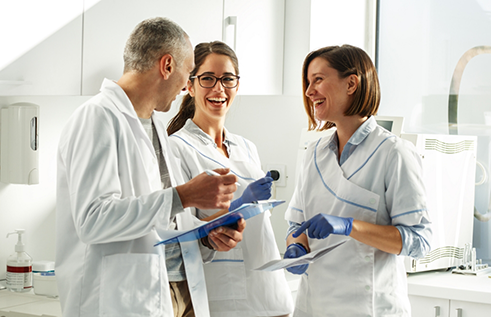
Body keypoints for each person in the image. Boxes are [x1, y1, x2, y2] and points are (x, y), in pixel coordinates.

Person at [56, 18, 246, 317]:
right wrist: (184, 196)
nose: (187, 86)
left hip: (174, 290)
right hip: (118, 300)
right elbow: (93, 220)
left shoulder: (157, 123)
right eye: (188, 73)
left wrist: (206, 236)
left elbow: (159, 220)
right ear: (167, 65)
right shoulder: (97, 118)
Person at [283, 45, 432, 316]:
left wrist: (349, 226)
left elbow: (418, 240)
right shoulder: (314, 154)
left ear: (351, 83)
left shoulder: (393, 153)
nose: (308, 91)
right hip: (313, 305)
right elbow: (297, 223)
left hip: (370, 307)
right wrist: (295, 244)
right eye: (307, 82)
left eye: (318, 79)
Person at [167, 41, 294, 317]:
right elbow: (181, 235)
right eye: (208, 79)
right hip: (219, 294)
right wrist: (239, 205)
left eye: (227, 79)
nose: (219, 88)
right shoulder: (177, 148)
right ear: (190, 86)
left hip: (268, 290)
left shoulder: (247, 147)